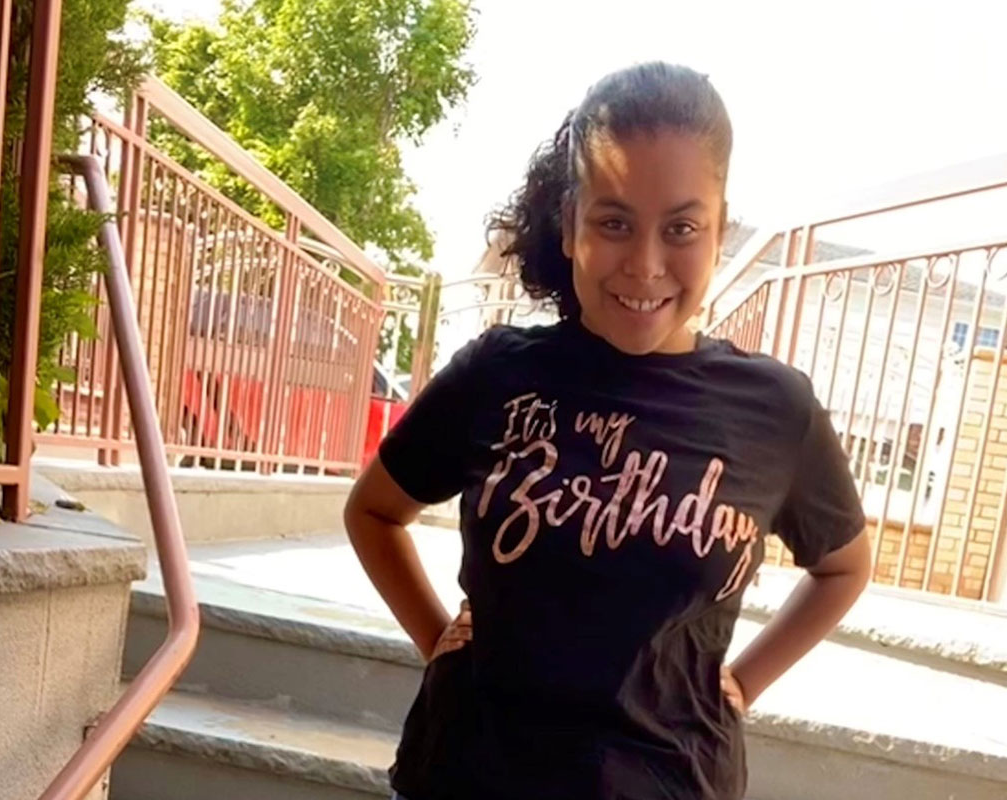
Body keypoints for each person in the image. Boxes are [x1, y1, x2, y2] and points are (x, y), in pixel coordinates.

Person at [344, 61, 871, 800]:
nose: (646, 265)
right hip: (469, 773)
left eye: (681, 228)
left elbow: (844, 567)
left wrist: (745, 682)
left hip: (671, 780)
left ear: (719, 231)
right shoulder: (496, 371)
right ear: (571, 226)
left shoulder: (775, 408)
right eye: (615, 222)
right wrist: (434, 635)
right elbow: (373, 510)